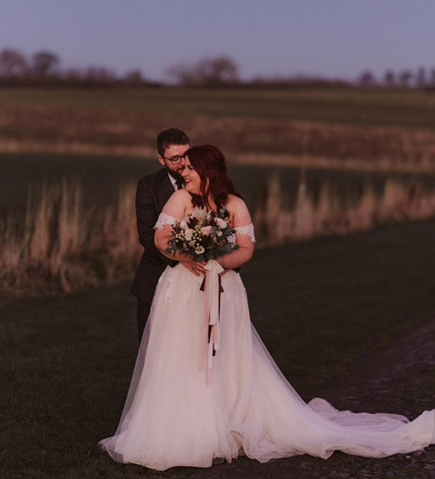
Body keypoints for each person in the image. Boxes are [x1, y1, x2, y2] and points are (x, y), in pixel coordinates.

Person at [100, 145, 435, 471]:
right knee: (178, 350)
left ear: (207, 172)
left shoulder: (234, 204)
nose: (182, 173)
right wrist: (188, 256)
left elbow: (245, 249)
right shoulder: (180, 199)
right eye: (181, 167)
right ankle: (172, 425)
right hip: (182, 288)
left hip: (223, 286)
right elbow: (161, 239)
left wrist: (218, 261)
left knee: (226, 352)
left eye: (189, 168)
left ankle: (228, 416)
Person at [130, 128, 206, 342]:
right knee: (152, 345)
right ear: (161, 160)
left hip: (199, 276)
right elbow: (146, 235)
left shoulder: (205, 182)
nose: (182, 163)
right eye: (174, 159)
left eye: (185, 155)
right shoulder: (148, 186)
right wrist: (181, 257)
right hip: (156, 273)